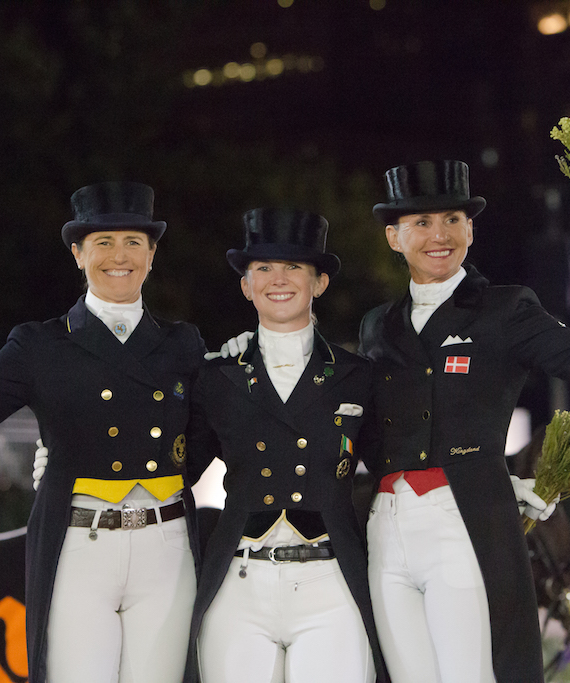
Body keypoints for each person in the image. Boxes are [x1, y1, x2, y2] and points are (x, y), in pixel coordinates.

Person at [0, 181, 205, 683]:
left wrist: (251, 361)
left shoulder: (184, 344)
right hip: (79, 548)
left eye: (134, 242)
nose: (119, 256)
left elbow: (213, 437)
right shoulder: (38, 346)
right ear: (77, 254)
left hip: (167, 547)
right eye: (102, 242)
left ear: (152, 255)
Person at [358, 160, 570, 683]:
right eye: (421, 223)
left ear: (470, 229)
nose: (439, 235)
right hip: (386, 527)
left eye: (452, 219)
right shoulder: (377, 325)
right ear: (393, 237)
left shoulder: (507, 310)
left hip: (466, 524)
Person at [184, 208, 387, 683]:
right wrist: (70, 456)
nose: (279, 279)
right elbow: (174, 468)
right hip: (238, 585)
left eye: (294, 267)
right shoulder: (217, 377)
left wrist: (494, 481)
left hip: (330, 583)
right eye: (264, 269)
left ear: (319, 284)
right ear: (246, 285)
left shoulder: (358, 377)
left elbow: (396, 463)